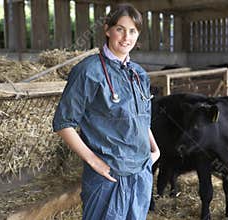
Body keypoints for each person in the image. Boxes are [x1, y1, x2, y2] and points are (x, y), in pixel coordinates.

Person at [52, 3, 160, 220]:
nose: (126, 37)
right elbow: (63, 123)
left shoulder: (139, 74)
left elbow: (142, 118)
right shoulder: (88, 71)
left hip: (140, 173)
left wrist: (155, 150)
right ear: (107, 29)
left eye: (133, 31)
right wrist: (93, 161)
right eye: (120, 29)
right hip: (108, 176)